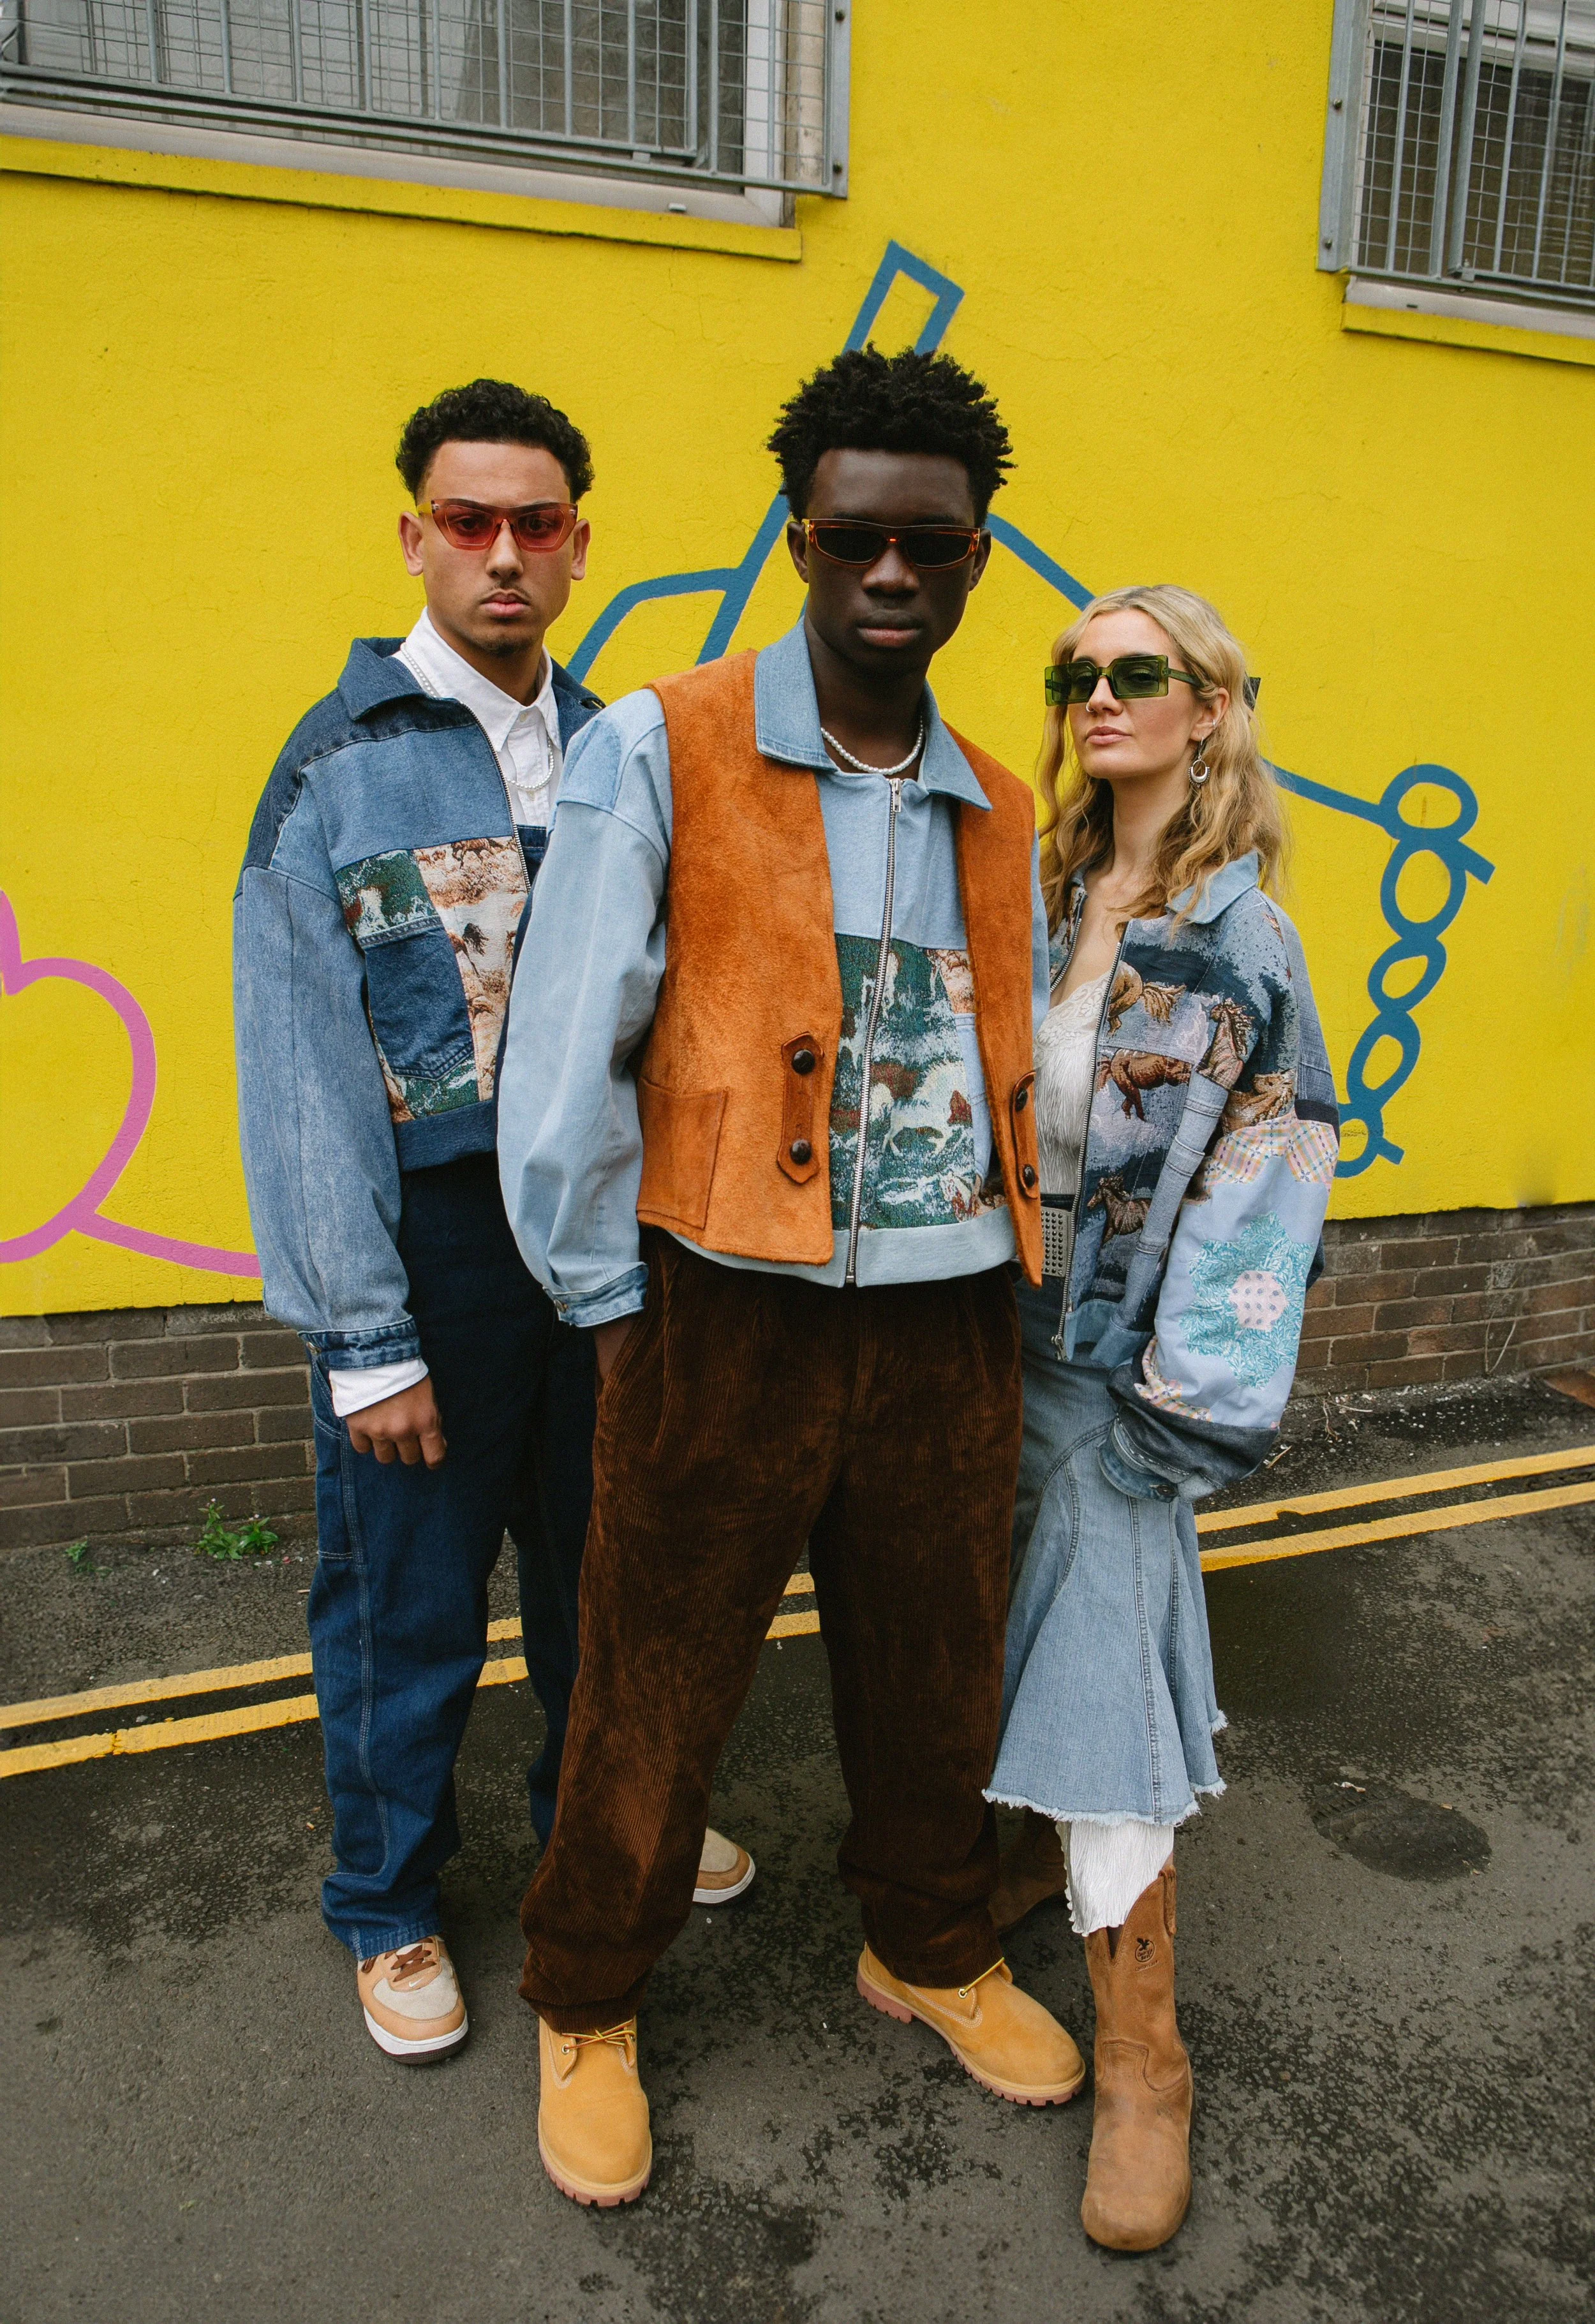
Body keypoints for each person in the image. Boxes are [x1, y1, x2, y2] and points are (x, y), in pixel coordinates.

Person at [498, 345, 1087, 2207]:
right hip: (720, 1305)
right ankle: (585, 1997)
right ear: (801, 542)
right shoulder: (658, 744)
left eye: (931, 543)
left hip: (944, 1317)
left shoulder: (996, 802)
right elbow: (565, 1043)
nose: (890, 573)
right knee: (651, 1683)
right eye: (852, 538)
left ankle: (926, 1945)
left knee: (934, 1673)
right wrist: (610, 1304)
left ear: (977, 559)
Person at [234, 378, 751, 2067]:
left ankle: (584, 1834)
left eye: (538, 524)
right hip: (436, 1252)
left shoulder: (625, 750)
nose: (505, 555)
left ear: (579, 543)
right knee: (411, 1602)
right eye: (470, 522)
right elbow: (301, 1065)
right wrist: (362, 1338)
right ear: (415, 538)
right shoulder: (339, 770)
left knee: (608, 1582)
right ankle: (385, 1905)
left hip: (600, 1251)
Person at [985, 585, 1338, 2249]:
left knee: (1105, 1686)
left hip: (1120, 1380)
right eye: (1076, 674)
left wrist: (1173, 1426)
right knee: (974, 1650)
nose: (1098, 695)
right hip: (980, 1348)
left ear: (1210, 708)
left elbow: (1266, 1194)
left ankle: (1142, 2058)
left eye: (1139, 672)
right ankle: (970, 1916)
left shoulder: (1239, 933)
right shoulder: (1043, 882)